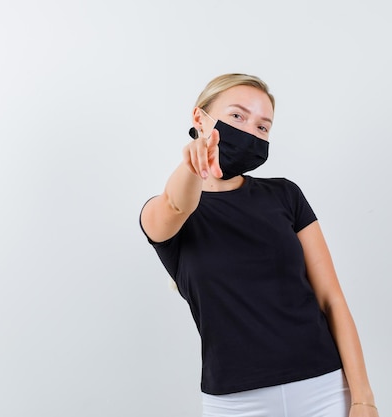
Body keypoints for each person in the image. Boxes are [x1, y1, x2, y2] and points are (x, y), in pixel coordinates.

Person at [139, 73, 379, 417]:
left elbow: (332, 299)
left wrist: (362, 399)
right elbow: (177, 204)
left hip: (324, 387)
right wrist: (195, 165)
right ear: (199, 119)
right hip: (236, 403)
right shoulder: (161, 215)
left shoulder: (285, 195)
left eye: (263, 127)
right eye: (237, 116)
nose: (251, 131)